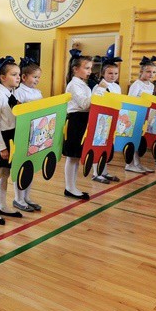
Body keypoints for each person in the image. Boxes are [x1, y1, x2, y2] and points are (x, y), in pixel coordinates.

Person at [0, 55, 23, 223]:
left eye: (19, 74)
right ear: (2, 77)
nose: (18, 77)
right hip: (0, 138)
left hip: (11, 137)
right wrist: (2, 147)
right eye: (14, 74)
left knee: (6, 173)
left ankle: (2, 205)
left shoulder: (10, 94)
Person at [12, 57, 44, 211]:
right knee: (21, 166)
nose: (37, 80)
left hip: (36, 134)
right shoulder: (18, 93)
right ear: (24, 77)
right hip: (23, 134)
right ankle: (18, 198)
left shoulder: (38, 92)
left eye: (38, 77)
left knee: (31, 166)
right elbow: (16, 113)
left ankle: (27, 196)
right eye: (35, 77)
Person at [63, 49, 93, 199]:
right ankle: (69, 187)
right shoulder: (74, 85)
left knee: (76, 156)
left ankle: (72, 186)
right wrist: (99, 90)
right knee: (72, 156)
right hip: (75, 120)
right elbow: (85, 104)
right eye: (86, 68)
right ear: (76, 69)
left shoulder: (83, 84)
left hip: (83, 120)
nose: (89, 71)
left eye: (90, 68)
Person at [91, 55, 122, 184]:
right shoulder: (99, 86)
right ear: (103, 73)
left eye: (115, 73)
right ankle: (95, 172)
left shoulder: (117, 87)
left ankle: (104, 171)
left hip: (112, 119)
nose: (113, 76)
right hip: (101, 119)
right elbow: (95, 101)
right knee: (98, 144)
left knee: (107, 146)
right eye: (110, 73)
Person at [125, 56, 156, 174]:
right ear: (141, 71)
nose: (151, 74)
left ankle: (138, 163)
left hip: (145, 116)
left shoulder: (151, 85)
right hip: (135, 115)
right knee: (133, 140)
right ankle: (129, 164)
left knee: (139, 141)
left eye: (154, 72)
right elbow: (131, 101)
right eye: (148, 71)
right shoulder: (137, 84)